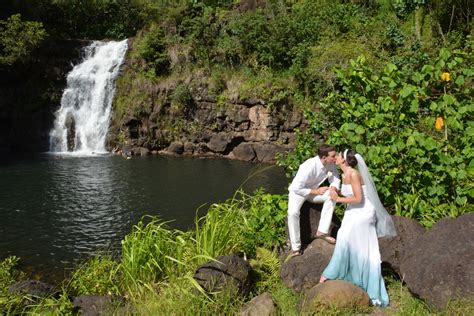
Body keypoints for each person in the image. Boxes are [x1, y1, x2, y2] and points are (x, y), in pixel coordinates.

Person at [319, 149, 397, 307]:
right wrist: (336, 190)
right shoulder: (344, 174)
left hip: (363, 212)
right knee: (346, 238)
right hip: (352, 211)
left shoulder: (353, 174)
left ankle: (331, 273)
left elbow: (359, 199)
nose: (337, 157)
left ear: (345, 161)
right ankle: (353, 276)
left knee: (346, 238)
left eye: (339, 155)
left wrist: (338, 198)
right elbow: (351, 194)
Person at [287, 144, 341, 258]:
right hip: (298, 192)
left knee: (332, 196)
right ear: (323, 158)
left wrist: (333, 188)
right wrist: (315, 191)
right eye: (333, 156)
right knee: (292, 213)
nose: (335, 158)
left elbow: (335, 178)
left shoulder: (330, 163)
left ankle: (322, 231)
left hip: (314, 191)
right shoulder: (308, 166)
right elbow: (296, 188)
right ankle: (296, 248)